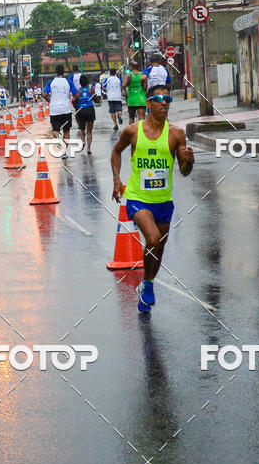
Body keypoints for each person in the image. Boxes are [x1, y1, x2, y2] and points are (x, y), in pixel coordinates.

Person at [111, 84, 194, 313]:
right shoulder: (133, 131)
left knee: (158, 249)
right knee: (154, 239)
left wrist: (189, 160)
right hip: (138, 198)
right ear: (148, 103)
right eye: (158, 99)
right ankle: (147, 285)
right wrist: (117, 180)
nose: (164, 103)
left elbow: (185, 172)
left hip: (164, 201)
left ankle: (147, 283)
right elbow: (116, 151)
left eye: (168, 99)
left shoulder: (176, 134)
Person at [43, 63, 78, 141]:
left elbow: (45, 94)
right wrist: (73, 99)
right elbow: (77, 94)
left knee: (55, 131)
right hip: (66, 110)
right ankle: (64, 147)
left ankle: (58, 136)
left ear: (56, 72)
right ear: (63, 71)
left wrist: (50, 101)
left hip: (55, 110)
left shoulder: (51, 82)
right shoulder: (68, 82)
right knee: (66, 131)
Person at [76, 74, 99, 154]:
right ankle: (89, 148)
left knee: (82, 130)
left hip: (81, 111)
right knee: (89, 131)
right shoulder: (90, 90)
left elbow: (74, 100)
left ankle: (83, 141)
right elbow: (97, 100)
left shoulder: (78, 91)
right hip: (90, 110)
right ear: (87, 82)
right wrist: (97, 100)